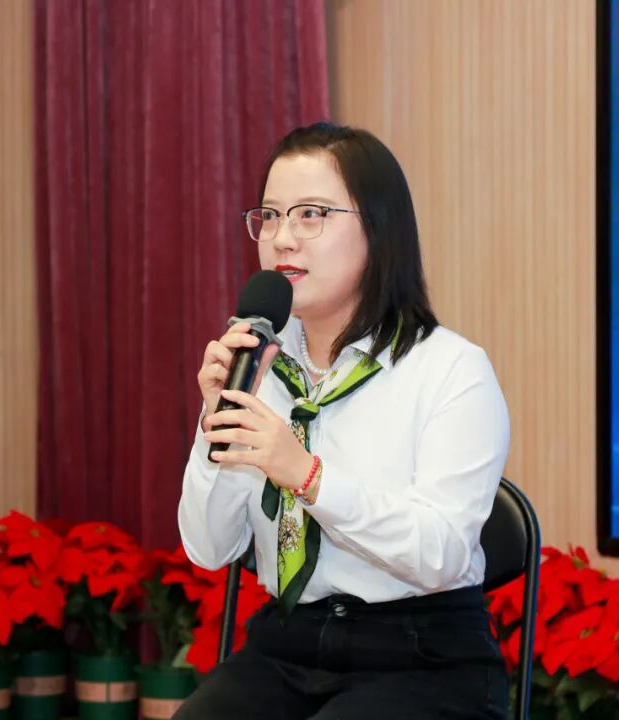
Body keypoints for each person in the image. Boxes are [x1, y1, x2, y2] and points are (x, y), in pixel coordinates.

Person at [175, 122, 511, 719]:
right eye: (270, 216)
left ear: (379, 230)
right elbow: (208, 549)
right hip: (288, 643)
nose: (282, 239)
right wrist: (214, 423)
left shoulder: (450, 370)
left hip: (421, 654)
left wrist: (307, 475)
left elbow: (440, 555)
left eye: (311, 215)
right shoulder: (259, 363)